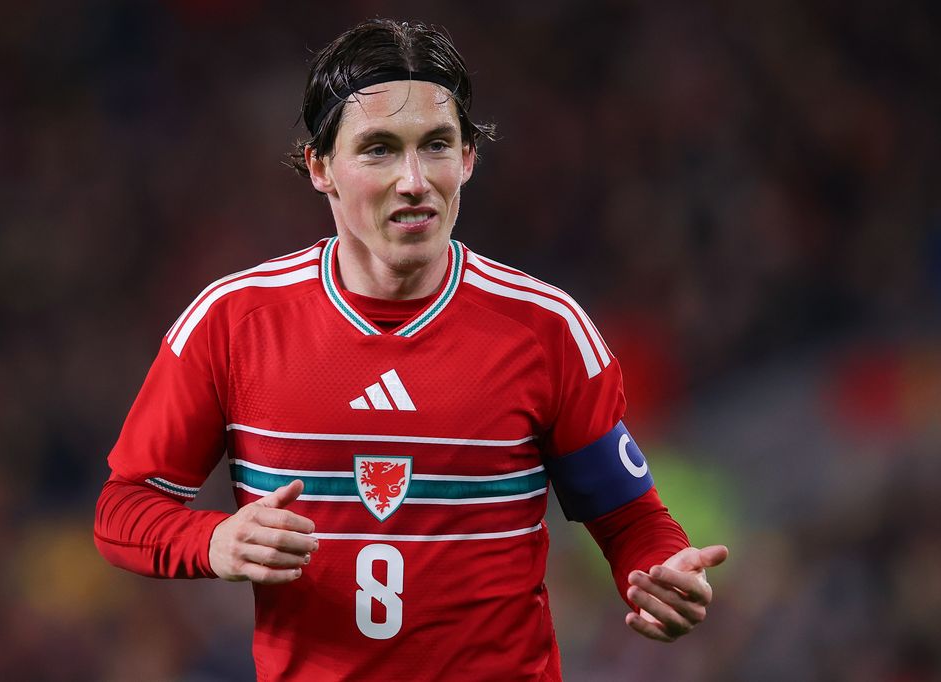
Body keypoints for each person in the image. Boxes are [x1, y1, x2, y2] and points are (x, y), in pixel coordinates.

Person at [94, 18, 728, 681]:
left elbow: (630, 519)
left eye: (435, 145)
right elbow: (124, 509)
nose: (414, 180)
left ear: (468, 159)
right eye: (378, 149)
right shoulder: (230, 323)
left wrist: (658, 570)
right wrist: (212, 539)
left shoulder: (544, 329)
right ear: (319, 166)